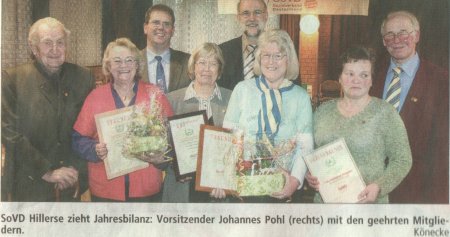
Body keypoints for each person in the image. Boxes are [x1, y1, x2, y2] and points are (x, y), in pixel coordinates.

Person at [212, 29, 313, 202]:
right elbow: (227, 139)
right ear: (258, 59)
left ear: (288, 59)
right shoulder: (242, 89)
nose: (271, 62)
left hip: (283, 188)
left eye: (278, 56)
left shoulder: (301, 97)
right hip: (243, 188)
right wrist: (223, 178)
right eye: (266, 55)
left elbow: (305, 146)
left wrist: (294, 182)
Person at [1, 17, 95, 201]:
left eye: (60, 42)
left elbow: (92, 130)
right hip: (30, 183)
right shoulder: (13, 79)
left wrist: (74, 171)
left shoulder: (83, 77)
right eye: (47, 43)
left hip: (72, 182)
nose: (55, 49)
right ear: (34, 47)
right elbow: (8, 132)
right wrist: (46, 171)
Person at [307, 46, 412, 203]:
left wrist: (379, 186)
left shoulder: (385, 113)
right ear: (340, 78)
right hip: (326, 208)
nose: (356, 80)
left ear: (371, 80)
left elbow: (403, 160)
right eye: (350, 74)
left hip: (369, 208)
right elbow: (311, 154)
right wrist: (310, 175)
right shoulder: (321, 112)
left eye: (364, 75)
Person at [72, 38, 173, 202]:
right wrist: (94, 149)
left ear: (137, 64)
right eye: (117, 61)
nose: (123, 66)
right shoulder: (95, 97)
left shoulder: (154, 95)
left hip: (146, 187)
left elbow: (173, 136)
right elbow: (78, 139)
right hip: (106, 189)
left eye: (129, 60)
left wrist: (162, 159)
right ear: (108, 66)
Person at [370, 11, 449, 204]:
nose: (396, 40)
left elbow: (443, 149)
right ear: (383, 41)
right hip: (373, 191)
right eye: (389, 34)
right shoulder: (370, 77)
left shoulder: (442, 81)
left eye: (403, 32)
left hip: (419, 193)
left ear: (416, 36)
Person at [162, 42, 232, 203]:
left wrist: (224, 179)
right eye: (202, 62)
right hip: (180, 190)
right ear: (193, 68)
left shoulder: (232, 99)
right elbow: (162, 147)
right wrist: (176, 165)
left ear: (219, 70)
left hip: (219, 190)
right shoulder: (171, 100)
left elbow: (237, 146)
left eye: (213, 63)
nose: (207, 69)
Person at [218, 0, 268, 90]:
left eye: (257, 12)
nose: (252, 18)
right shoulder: (222, 52)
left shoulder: (282, 50)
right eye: (246, 13)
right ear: (238, 17)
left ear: (266, 16)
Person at [141, 4, 191, 93]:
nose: (161, 28)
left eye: (166, 24)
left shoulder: (188, 62)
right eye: (156, 23)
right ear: (145, 28)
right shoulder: (132, 61)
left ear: (172, 30)